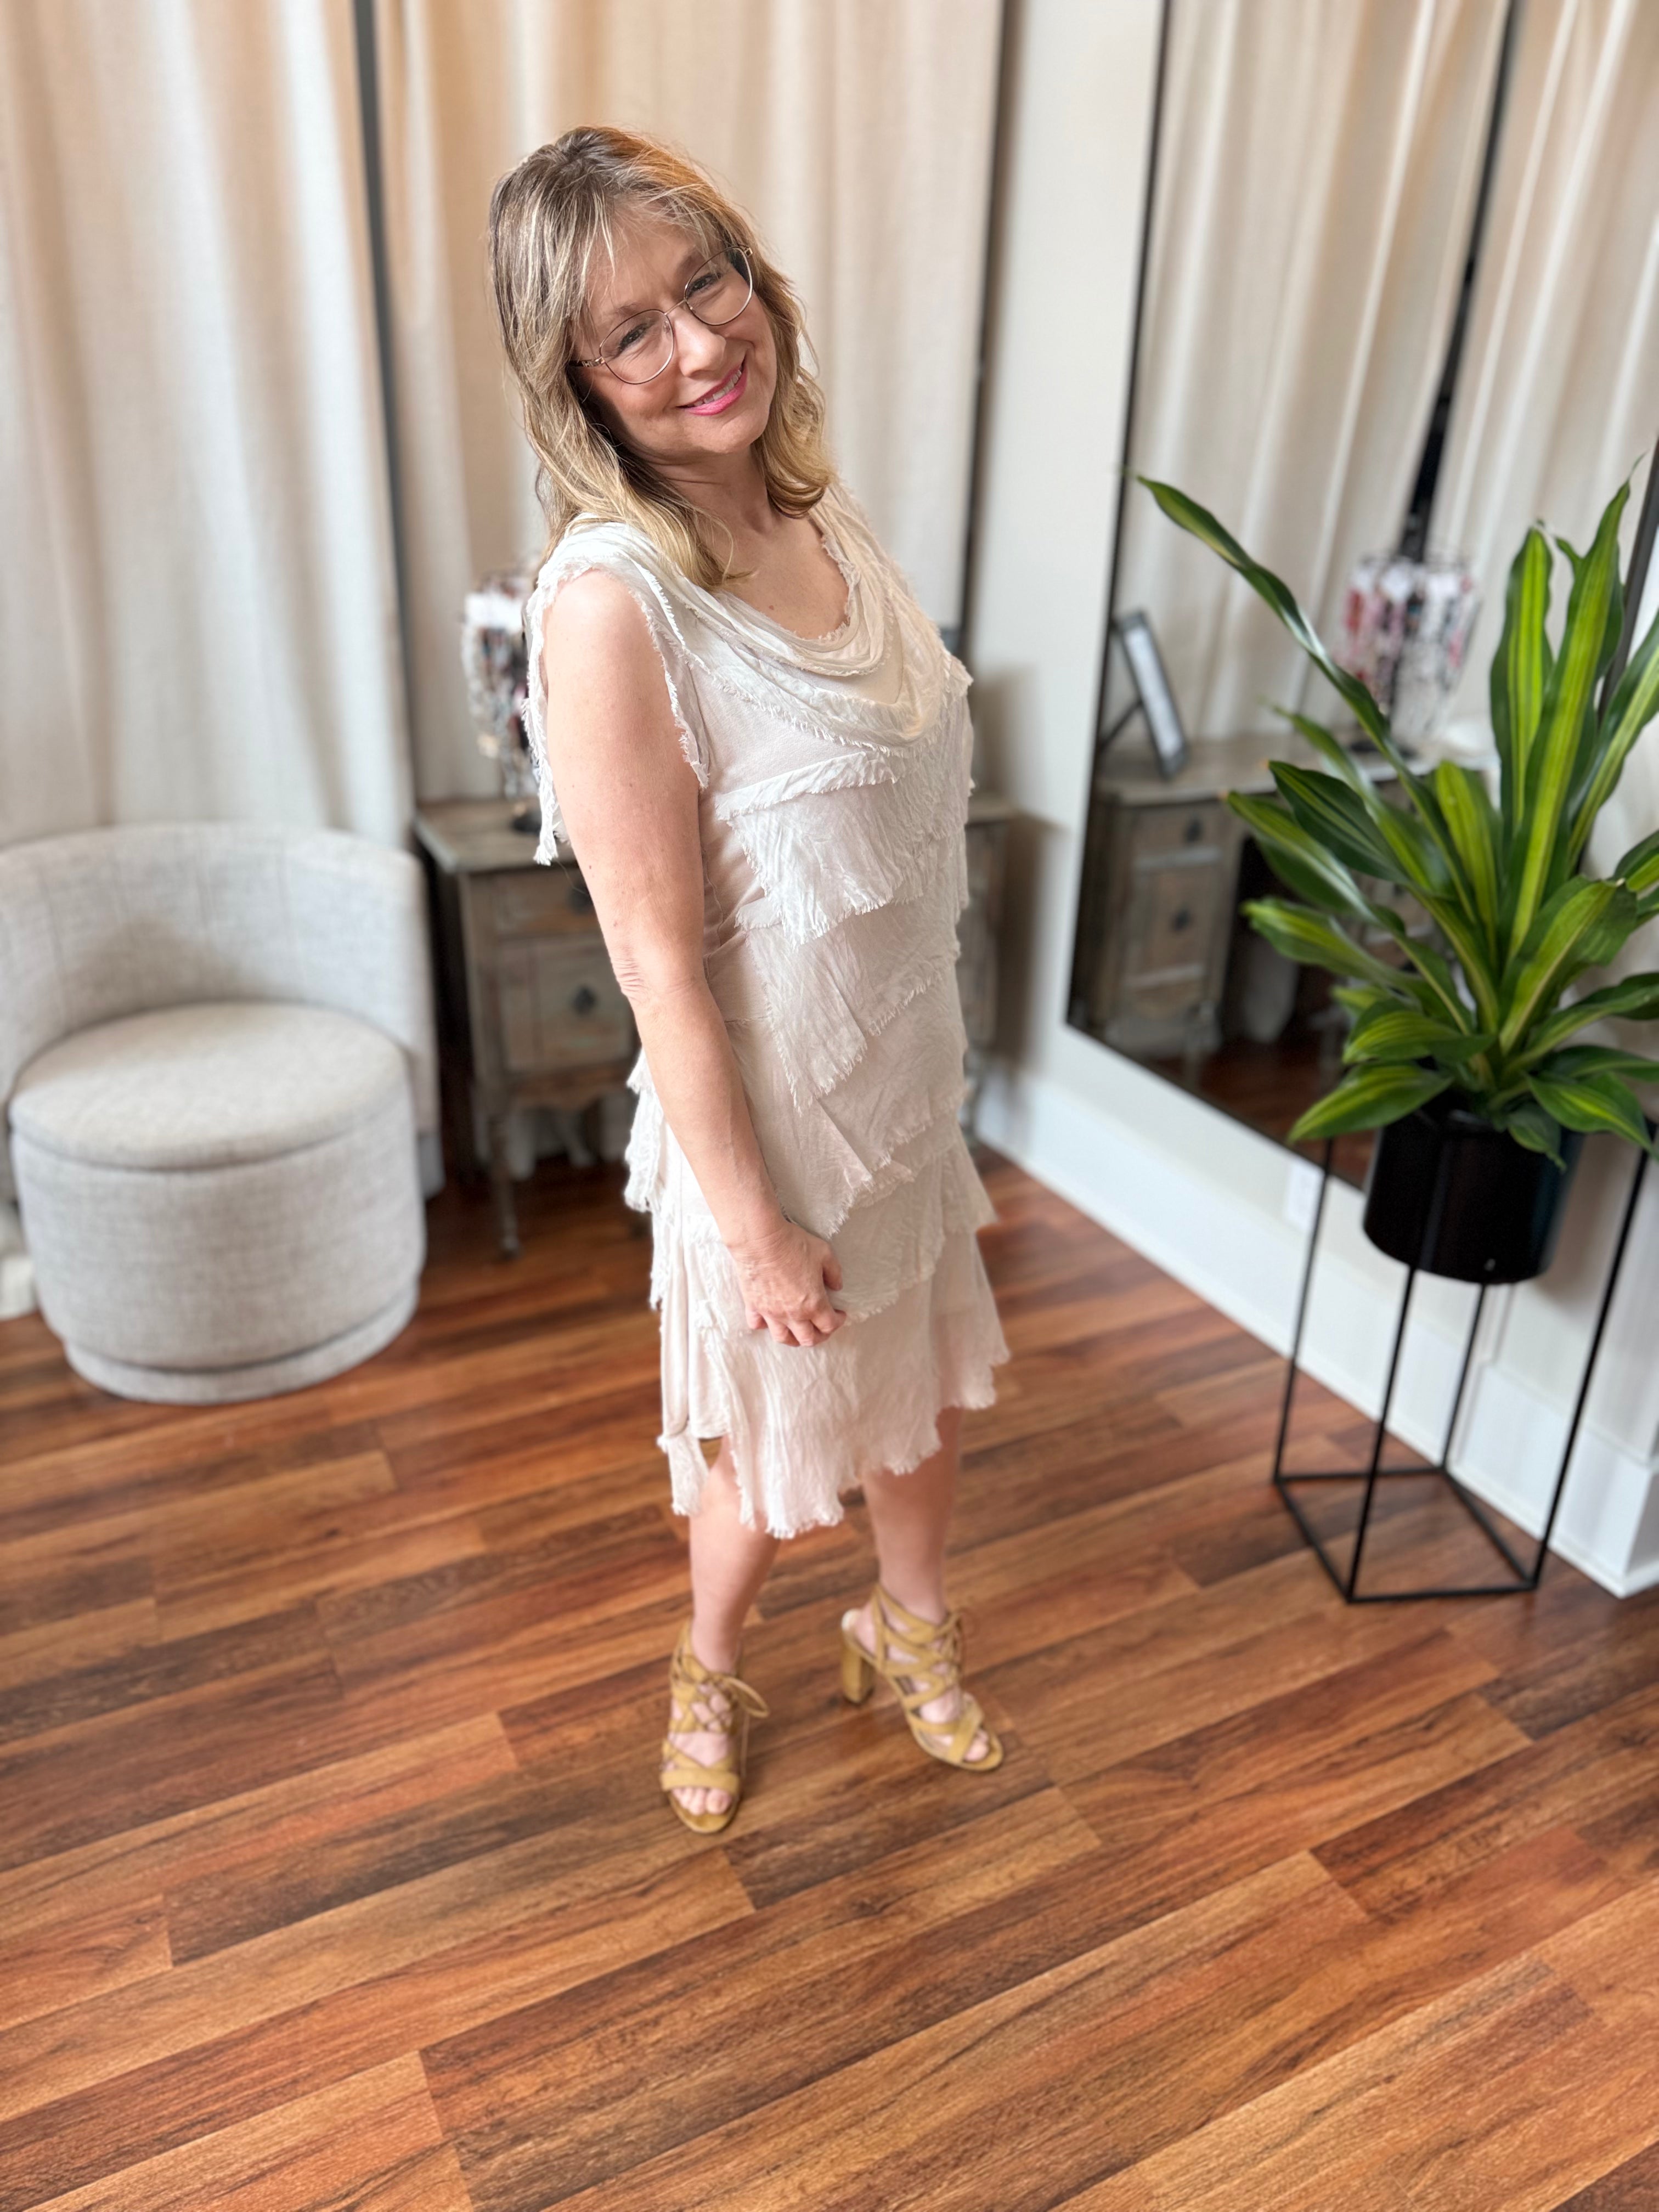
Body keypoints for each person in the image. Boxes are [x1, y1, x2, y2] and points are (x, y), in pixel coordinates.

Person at [488, 126, 1011, 1833]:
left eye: (705, 282)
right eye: (630, 331)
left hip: (902, 1086)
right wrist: (757, 1229)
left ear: (753, 278)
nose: (699, 344)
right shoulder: (609, 607)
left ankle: (906, 1623)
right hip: (765, 1140)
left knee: (919, 1402)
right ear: (577, 380)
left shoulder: (815, 507)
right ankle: (708, 1664)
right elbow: (654, 965)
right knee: (768, 1459)